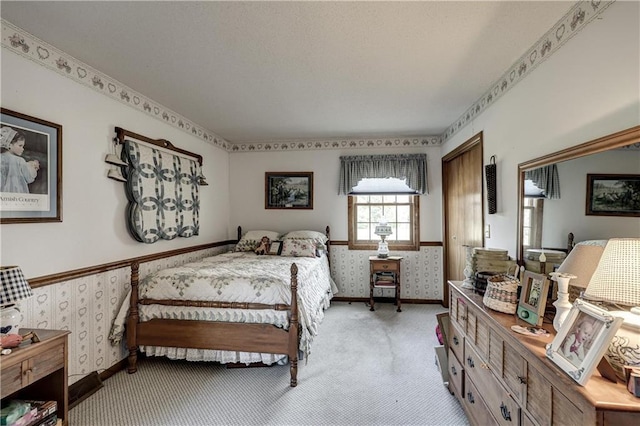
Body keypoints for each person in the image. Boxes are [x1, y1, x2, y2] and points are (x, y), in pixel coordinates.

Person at [0, 126, 39, 193]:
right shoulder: (20, 161)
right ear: (10, 145)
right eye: (20, 145)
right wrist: (33, 168)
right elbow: (29, 178)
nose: (23, 149)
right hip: (17, 193)